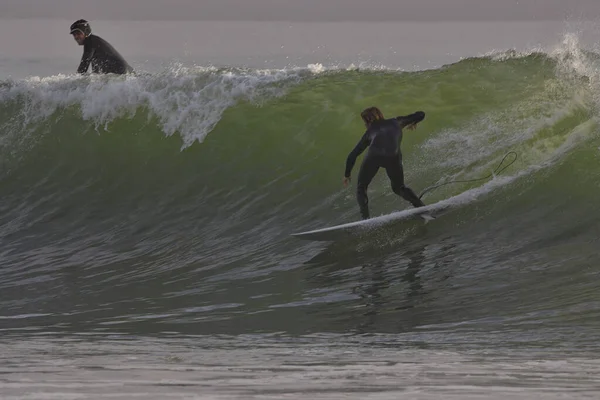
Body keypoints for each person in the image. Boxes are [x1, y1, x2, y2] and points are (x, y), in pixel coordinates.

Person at [343, 106, 426, 220]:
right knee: (399, 188)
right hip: (393, 157)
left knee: (361, 188)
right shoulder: (397, 122)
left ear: (368, 121)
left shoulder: (369, 132)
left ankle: (366, 220)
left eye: (365, 121)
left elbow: (352, 155)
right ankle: (421, 208)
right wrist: (414, 122)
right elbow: (421, 114)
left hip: (374, 156)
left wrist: (347, 174)